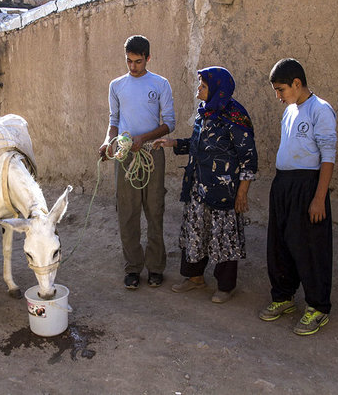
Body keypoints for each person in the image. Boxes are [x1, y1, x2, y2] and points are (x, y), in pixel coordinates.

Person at [154, 66, 257, 303]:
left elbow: (249, 157)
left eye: (203, 85)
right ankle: (194, 278)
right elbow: (199, 144)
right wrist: (172, 143)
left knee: (223, 236)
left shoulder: (235, 115)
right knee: (195, 232)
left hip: (224, 190)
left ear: (217, 89)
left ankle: (225, 286)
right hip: (199, 185)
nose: (198, 89)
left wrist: (243, 191)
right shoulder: (205, 112)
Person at [258, 58, 337, 336]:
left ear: (297, 83)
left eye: (281, 90)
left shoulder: (320, 110)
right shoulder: (290, 111)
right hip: (284, 184)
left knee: (310, 246)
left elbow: (328, 157)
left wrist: (318, 198)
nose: (278, 97)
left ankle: (318, 307)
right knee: (280, 243)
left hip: (308, 185)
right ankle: (283, 297)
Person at [98, 35, 175, 290]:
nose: (133, 67)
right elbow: (114, 120)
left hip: (152, 153)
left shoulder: (160, 84)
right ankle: (132, 267)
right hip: (125, 154)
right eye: (129, 61)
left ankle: (155, 267)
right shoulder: (116, 85)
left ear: (148, 58)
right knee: (127, 213)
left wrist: (145, 138)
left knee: (154, 210)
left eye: (138, 61)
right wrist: (108, 142)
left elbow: (169, 123)